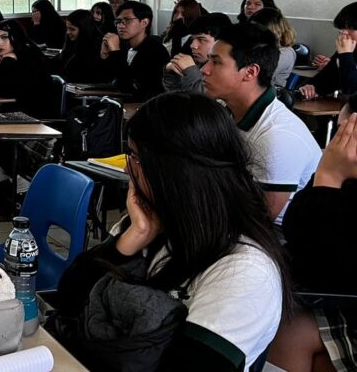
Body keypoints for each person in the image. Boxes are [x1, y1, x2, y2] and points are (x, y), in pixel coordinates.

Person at [53, 92, 290, 371]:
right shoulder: (152, 223)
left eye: (135, 157)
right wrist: (127, 243)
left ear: (174, 172)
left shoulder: (244, 271)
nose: (130, 170)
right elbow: (67, 301)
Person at [268, 90, 357, 372]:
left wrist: (329, 180)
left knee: (283, 331)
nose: (334, 146)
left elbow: (322, 269)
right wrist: (325, 178)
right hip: (339, 296)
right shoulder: (349, 178)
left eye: (344, 133)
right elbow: (294, 227)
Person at [200, 23, 322, 225]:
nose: (205, 70)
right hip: (233, 211)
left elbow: (259, 221)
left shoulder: (277, 137)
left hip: (277, 236)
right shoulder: (228, 111)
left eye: (216, 62)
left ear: (250, 72)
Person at [0, 20, 55, 117]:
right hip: (11, 110)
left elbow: (5, 91)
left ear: (16, 37)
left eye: (4, 37)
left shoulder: (30, 57)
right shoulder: (2, 56)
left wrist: (8, 60)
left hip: (30, 116)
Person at [299, 1, 357, 100]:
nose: (343, 32)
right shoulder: (347, 53)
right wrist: (311, 87)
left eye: (350, 28)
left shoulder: (346, 53)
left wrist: (346, 56)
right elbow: (323, 80)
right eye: (342, 27)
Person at [101, 1, 170, 101]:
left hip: (144, 107)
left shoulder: (154, 50)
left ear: (144, 22)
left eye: (127, 20)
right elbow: (108, 79)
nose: (121, 26)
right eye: (118, 21)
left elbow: (129, 87)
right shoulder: (125, 46)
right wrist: (105, 54)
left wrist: (116, 52)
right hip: (121, 103)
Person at [163, 13, 232, 93]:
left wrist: (190, 70)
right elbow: (177, 96)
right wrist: (171, 73)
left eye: (201, 39)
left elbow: (203, 100)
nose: (192, 45)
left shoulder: (228, 70)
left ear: (219, 42)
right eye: (192, 39)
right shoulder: (199, 63)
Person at [51, 9, 109, 84]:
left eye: (72, 29)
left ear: (84, 29)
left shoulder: (96, 46)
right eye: (67, 28)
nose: (68, 32)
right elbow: (57, 61)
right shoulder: (72, 42)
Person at [248, 7, 297, 88]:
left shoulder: (286, 53)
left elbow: (258, 77)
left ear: (273, 31)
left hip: (268, 94)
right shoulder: (259, 46)